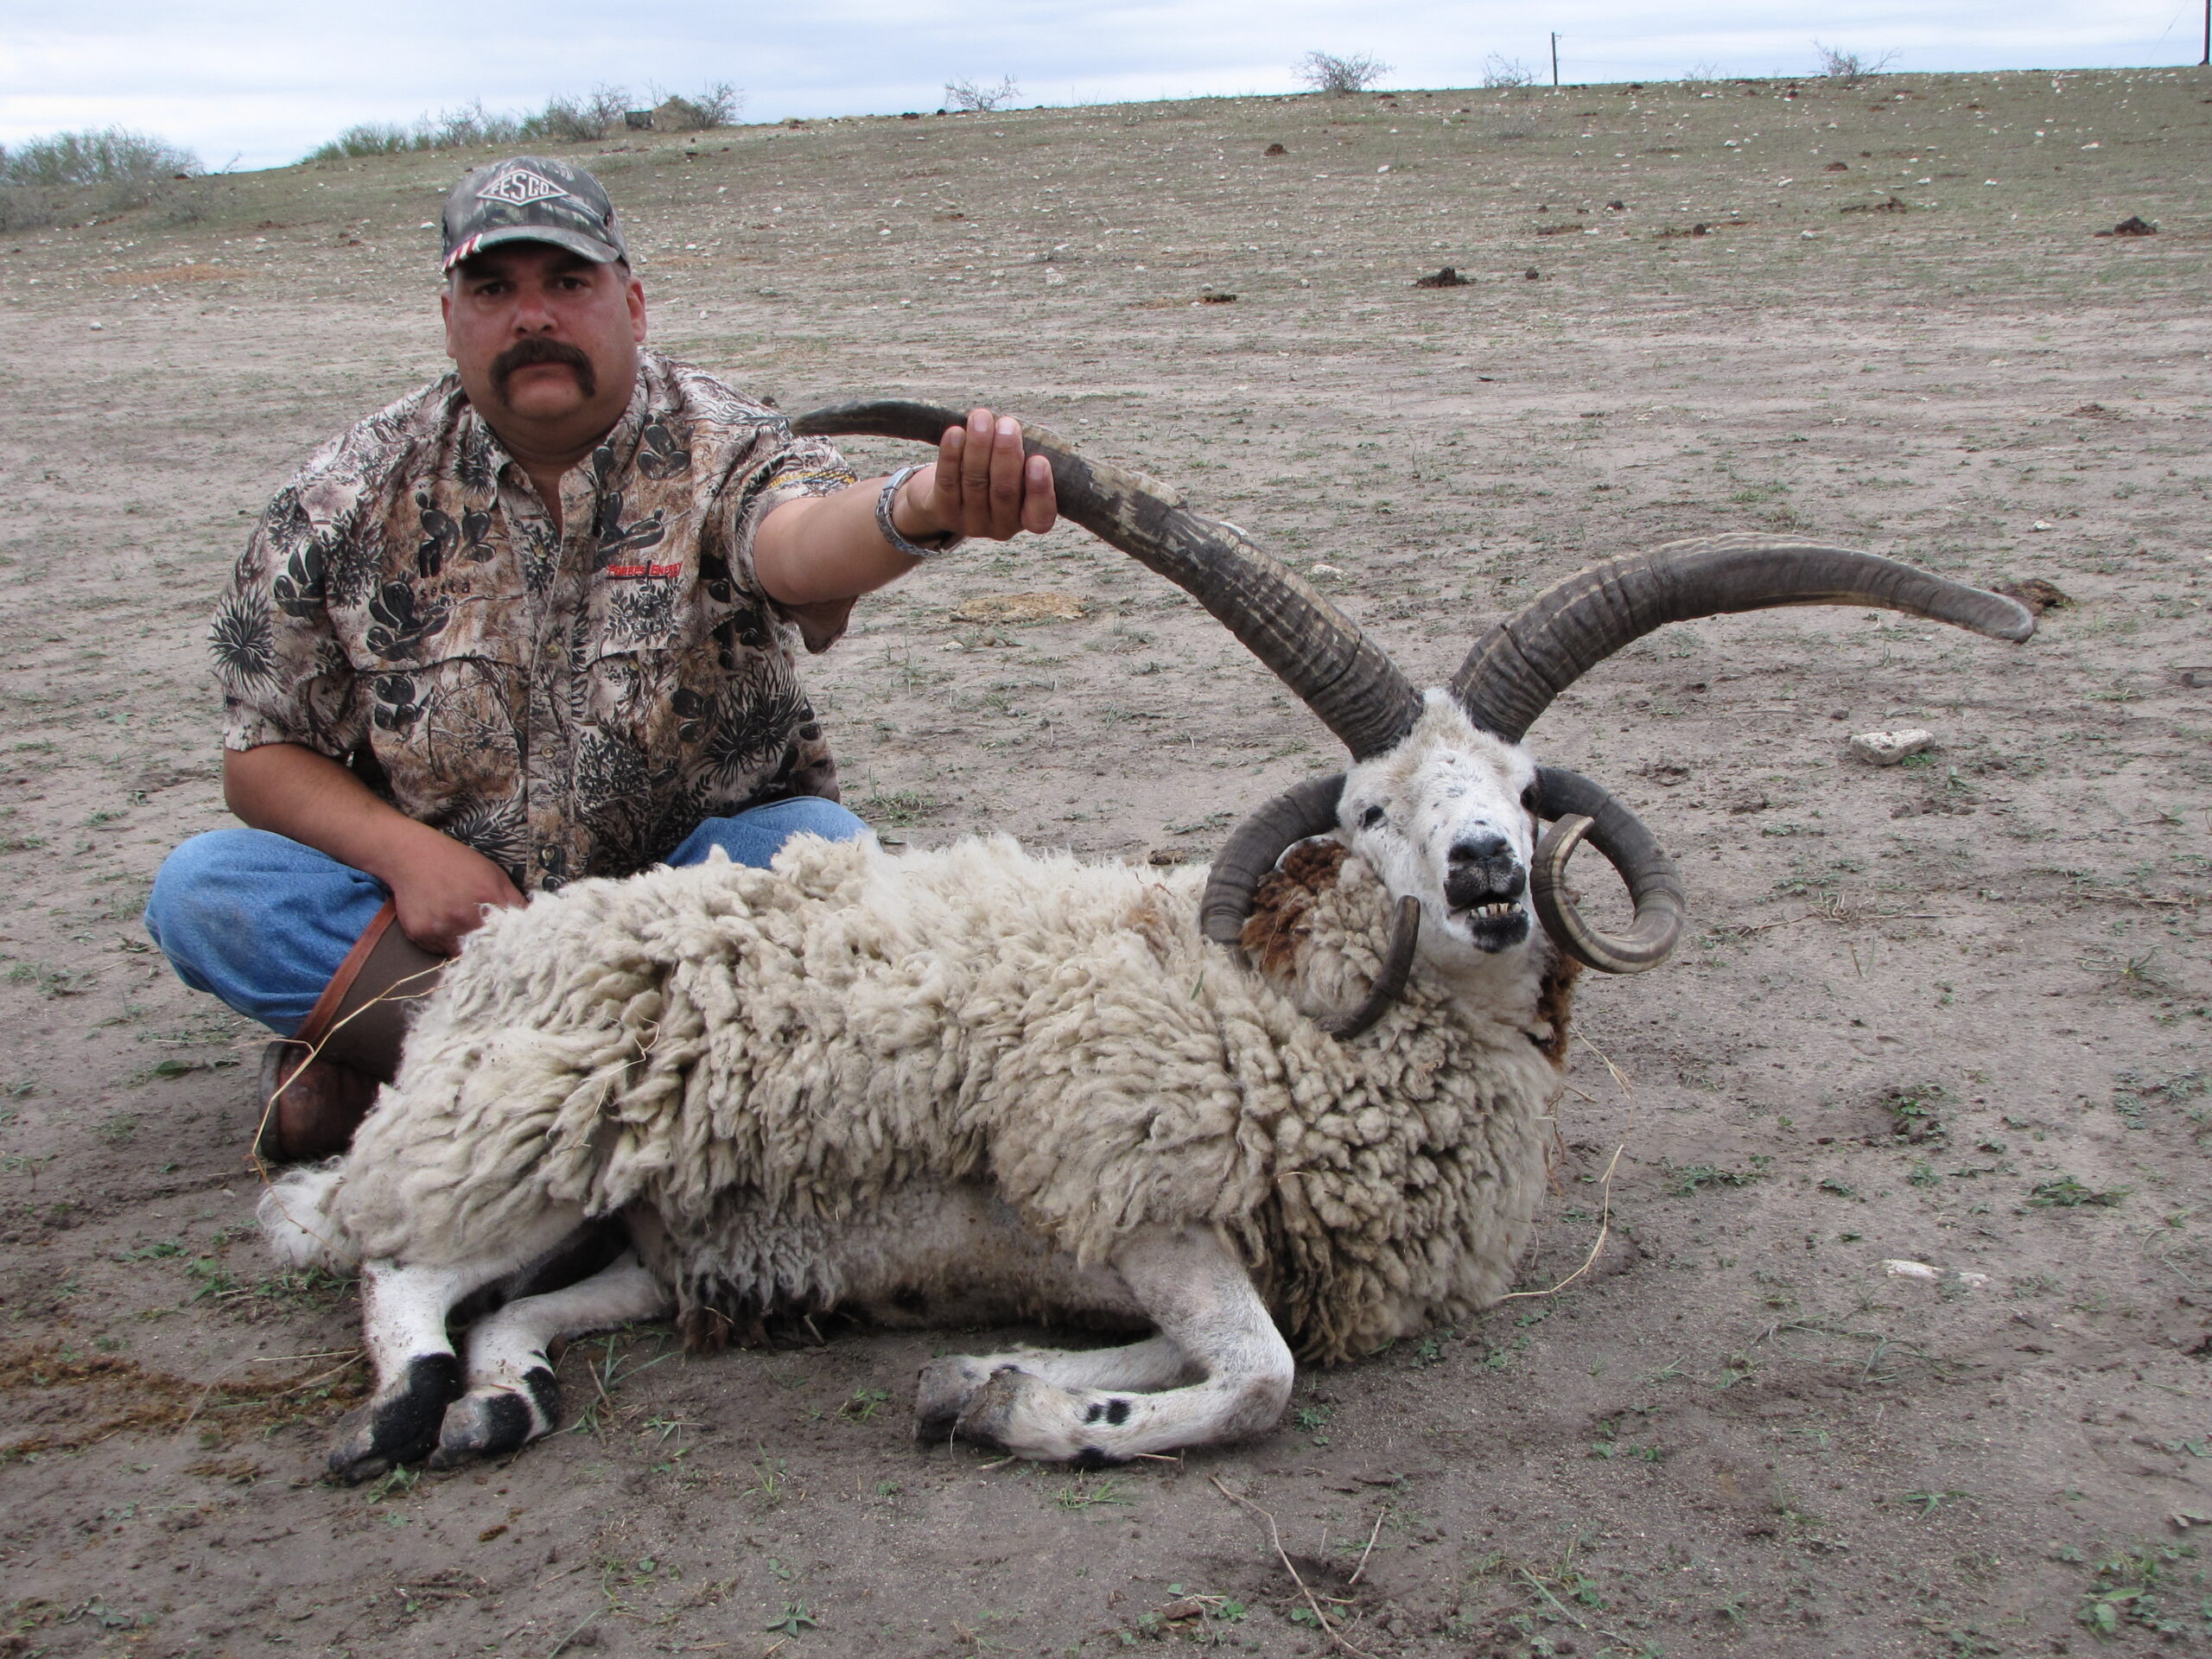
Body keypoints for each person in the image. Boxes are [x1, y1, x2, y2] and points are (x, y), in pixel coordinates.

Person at [144, 156, 1058, 1160]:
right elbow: (259, 755)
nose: (531, 316)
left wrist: (915, 508)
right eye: (494, 290)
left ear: (630, 301)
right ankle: (650, 1100)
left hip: (684, 911)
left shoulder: (729, 443)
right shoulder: (344, 493)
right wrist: (408, 857)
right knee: (210, 891)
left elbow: (796, 543)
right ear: (450, 317)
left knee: (824, 852)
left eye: (567, 283)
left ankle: (439, 1087)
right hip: (446, 928)